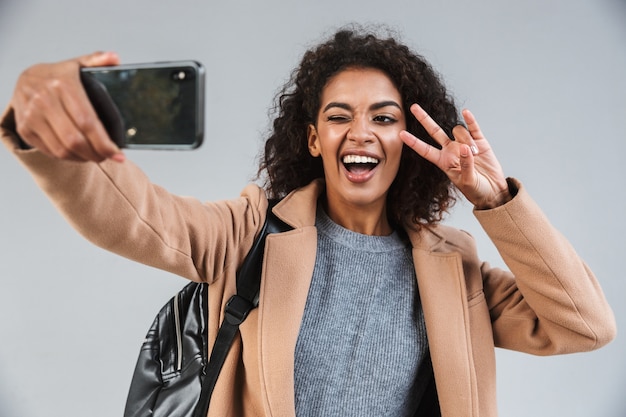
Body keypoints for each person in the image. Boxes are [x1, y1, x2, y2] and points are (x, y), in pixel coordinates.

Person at [1, 27, 616, 417]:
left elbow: (585, 324)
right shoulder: (250, 232)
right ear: (314, 138)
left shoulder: (454, 269)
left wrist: (495, 200)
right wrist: (42, 128)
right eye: (339, 116)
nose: (360, 133)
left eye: (383, 118)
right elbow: (133, 219)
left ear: (407, 138)